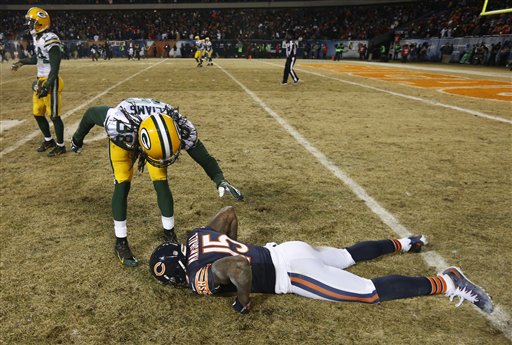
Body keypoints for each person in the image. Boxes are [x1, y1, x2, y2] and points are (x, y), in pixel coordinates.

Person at [150, 206, 494, 315]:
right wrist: (237, 246)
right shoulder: (195, 237)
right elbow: (227, 214)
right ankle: (406, 243)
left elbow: (238, 268)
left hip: (292, 273)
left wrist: (243, 301)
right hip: (287, 249)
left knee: (368, 292)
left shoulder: (196, 276)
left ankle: (448, 280)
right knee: (347, 255)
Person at [70, 98, 244, 267]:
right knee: (122, 183)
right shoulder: (120, 123)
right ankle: (120, 241)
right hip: (126, 142)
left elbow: (201, 155)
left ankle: (169, 233)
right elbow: (92, 113)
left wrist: (219, 178)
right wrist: (77, 139)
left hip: (148, 133)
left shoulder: (179, 125)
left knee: (161, 181)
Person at [11, 7, 66, 157]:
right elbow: (38, 58)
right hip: (41, 80)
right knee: (37, 113)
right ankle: (49, 140)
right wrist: (21, 62)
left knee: (54, 115)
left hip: (51, 81)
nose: (29, 25)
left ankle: (61, 145)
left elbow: (55, 65)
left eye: (32, 22)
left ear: (40, 23)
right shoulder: (38, 39)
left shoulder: (50, 38)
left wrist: (47, 84)